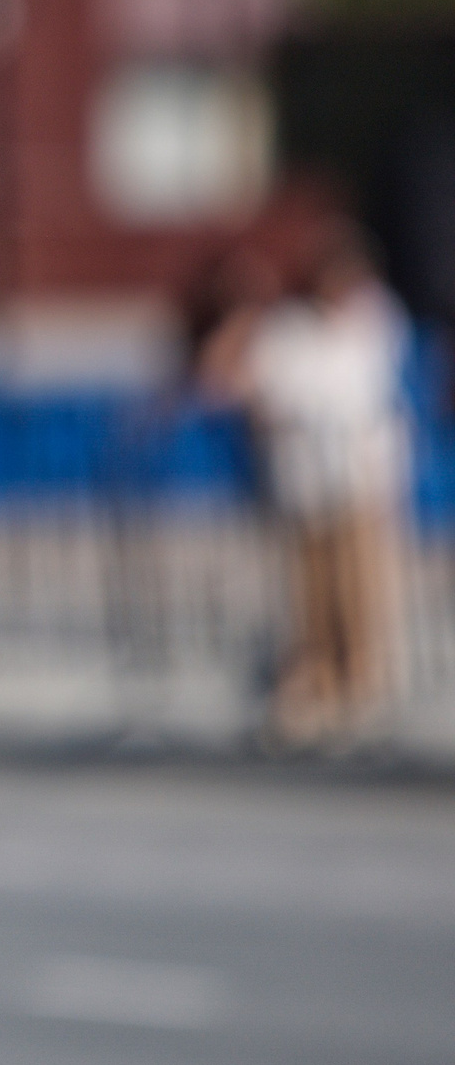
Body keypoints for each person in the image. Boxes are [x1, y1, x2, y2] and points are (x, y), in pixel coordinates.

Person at [209, 227, 412, 745]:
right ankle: (316, 684)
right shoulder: (288, 331)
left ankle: (360, 684)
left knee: (359, 589)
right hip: (304, 481)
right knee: (311, 593)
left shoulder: (374, 322)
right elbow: (252, 389)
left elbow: (370, 392)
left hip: (359, 475)